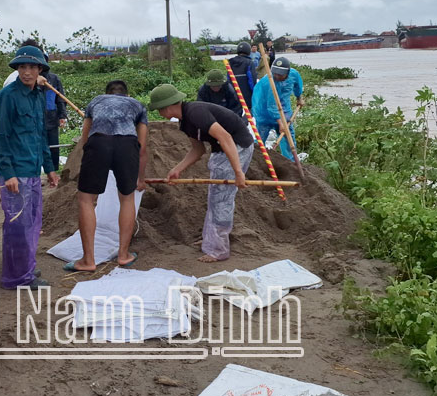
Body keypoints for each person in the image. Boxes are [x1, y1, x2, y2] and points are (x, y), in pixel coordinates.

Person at [148, 84, 255, 262]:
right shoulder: (185, 122)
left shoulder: (195, 112)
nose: (159, 114)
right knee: (214, 196)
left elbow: (226, 137)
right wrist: (177, 169)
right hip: (221, 150)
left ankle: (219, 250)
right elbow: (198, 151)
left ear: (167, 107)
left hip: (237, 147)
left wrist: (238, 172)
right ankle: (211, 239)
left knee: (222, 199)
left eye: (159, 110)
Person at [0, 43, 60, 289]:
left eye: (32, 67)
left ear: (40, 69)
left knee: (32, 222)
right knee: (17, 226)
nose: (26, 72)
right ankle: (16, 279)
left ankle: (26, 267)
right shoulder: (7, 96)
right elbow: (2, 136)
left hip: (33, 170)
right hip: (16, 172)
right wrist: (8, 173)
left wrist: (50, 168)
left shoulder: (37, 96)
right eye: (22, 67)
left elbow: (41, 135)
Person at [65, 80, 148, 272]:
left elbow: (85, 139)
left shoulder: (95, 102)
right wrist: (140, 179)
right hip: (127, 146)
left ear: (107, 93)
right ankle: (124, 255)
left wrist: (90, 156)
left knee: (86, 200)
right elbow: (142, 147)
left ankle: (88, 260)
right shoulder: (137, 105)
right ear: (126, 95)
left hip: (99, 143)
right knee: (127, 199)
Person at [251, 57, 304, 160]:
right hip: (263, 111)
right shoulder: (268, 82)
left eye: (280, 74)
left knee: (288, 138)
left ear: (287, 72)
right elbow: (271, 106)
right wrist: (280, 123)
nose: (277, 76)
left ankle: (290, 162)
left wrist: (299, 98)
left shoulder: (294, 74)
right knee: (260, 139)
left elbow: (298, 86)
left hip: (284, 109)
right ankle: (254, 159)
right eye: (275, 73)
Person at [40, 50, 69, 167]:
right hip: (36, 120)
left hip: (52, 117)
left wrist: (62, 116)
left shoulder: (54, 79)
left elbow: (60, 99)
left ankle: (54, 169)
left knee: (53, 145)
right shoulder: (31, 81)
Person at [228, 42, 257, 106]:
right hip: (247, 96)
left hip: (233, 94)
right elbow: (252, 80)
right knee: (248, 114)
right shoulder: (249, 63)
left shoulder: (230, 62)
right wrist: (255, 93)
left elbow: (228, 79)